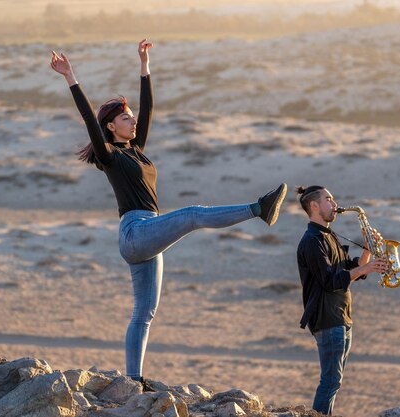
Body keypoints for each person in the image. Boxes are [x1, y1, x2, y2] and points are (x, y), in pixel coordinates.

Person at [50, 40, 287, 387]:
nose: (132, 122)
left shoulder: (138, 151)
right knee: (192, 214)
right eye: (125, 118)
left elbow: (148, 111)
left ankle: (133, 380)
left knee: (144, 315)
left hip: (150, 235)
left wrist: (145, 66)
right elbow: (89, 119)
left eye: (131, 117)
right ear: (112, 127)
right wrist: (70, 76)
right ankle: (258, 208)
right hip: (135, 232)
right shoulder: (109, 156)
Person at [295, 185, 387, 415]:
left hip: (342, 317)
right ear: (314, 206)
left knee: (334, 382)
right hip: (327, 318)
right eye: (329, 199)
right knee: (330, 381)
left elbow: (351, 269)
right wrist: (366, 266)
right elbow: (330, 280)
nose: (335, 205)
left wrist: (368, 250)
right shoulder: (312, 241)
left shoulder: (329, 236)